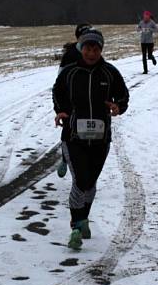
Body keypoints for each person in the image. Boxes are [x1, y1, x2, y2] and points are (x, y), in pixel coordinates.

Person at [52, 28, 130, 250]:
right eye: (87, 48)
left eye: (96, 49)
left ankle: (83, 218)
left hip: (100, 140)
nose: (91, 53)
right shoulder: (69, 73)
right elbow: (57, 93)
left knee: (90, 183)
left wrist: (118, 106)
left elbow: (123, 95)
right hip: (72, 137)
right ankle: (76, 226)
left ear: (101, 50)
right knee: (81, 181)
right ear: (81, 48)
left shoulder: (109, 73)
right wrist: (60, 111)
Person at [56, 23, 92, 178]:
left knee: (89, 131)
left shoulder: (94, 52)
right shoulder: (70, 55)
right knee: (69, 130)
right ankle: (65, 159)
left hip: (88, 99)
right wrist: (60, 106)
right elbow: (59, 79)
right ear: (79, 37)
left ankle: (86, 163)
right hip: (70, 99)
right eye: (85, 35)